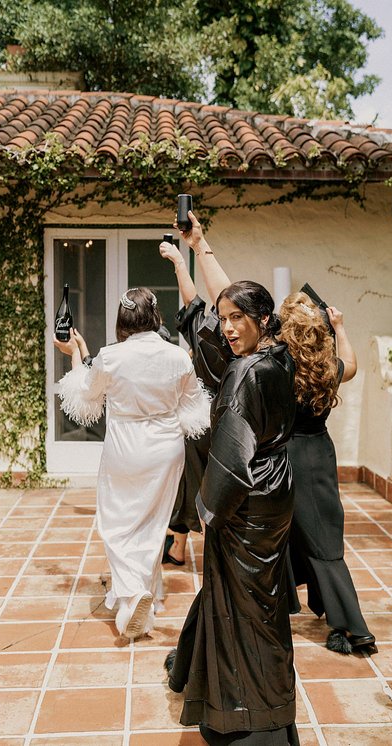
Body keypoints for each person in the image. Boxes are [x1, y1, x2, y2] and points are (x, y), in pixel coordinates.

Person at [167, 281, 299, 745]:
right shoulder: (280, 358)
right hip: (276, 490)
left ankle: (250, 719)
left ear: (262, 319)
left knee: (243, 610)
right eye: (222, 318)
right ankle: (268, 706)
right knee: (263, 604)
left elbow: (230, 455)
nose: (226, 328)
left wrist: (207, 508)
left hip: (245, 505)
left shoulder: (247, 373)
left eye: (235, 318)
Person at [55, 288, 210, 639]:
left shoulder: (110, 357)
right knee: (153, 523)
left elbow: (85, 399)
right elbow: (195, 407)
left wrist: (75, 357)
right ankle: (147, 597)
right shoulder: (178, 357)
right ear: (155, 318)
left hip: (126, 445)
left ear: (122, 320)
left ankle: (130, 597)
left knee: (116, 523)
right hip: (168, 447)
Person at [279, 293, 374, 654]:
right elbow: (352, 363)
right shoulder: (327, 367)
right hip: (319, 452)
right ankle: (318, 602)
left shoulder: (279, 366)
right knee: (317, 530)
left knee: (318, 538)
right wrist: (340, 326)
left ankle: (351, 624)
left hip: (286, 455)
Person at [158, 210, 233, 565]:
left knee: (188, 483)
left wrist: (180, 259)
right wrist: (182, 257)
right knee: (197, 484)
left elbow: (193, 301)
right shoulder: (220, 335)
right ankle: (180, 543)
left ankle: (178, 542)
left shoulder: (211, 336)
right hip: (215, 423)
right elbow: (197, 300)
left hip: (202, 422)